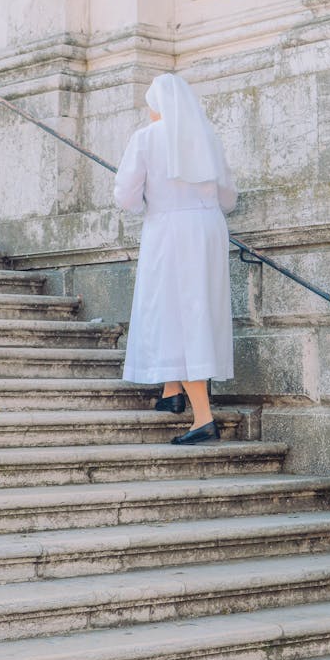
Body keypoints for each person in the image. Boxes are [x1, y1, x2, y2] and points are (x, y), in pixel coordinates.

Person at [114, 73, 237, 444]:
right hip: (209, 229)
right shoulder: (208, 138)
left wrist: (150, 202)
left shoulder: (147, 138)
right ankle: (172, 392)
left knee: (175, 314)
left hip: (169, 231)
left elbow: (125, 196)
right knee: (194, 311)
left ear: (158, 107)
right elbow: (229, 197)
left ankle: (203, 418)